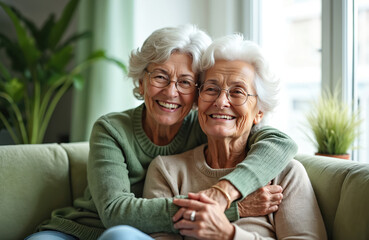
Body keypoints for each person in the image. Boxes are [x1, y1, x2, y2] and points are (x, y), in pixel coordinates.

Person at [26, 25, 297, 240]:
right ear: (141, 82)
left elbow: (280, 143)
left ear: (196, 93)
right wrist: (233, 208)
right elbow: (114, 213)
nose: (171, 92)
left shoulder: (207, 125)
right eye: (160, 77)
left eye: (185, 82)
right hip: (77, 231)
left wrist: (223, 192)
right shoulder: (111, 129)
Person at [142, 34, 327, 239]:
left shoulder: (285, 174)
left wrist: (229, 235)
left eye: (238, 92)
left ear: (259, 112)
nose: (221, 102)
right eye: (211, 89)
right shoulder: (167, 171)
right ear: (197, 100)